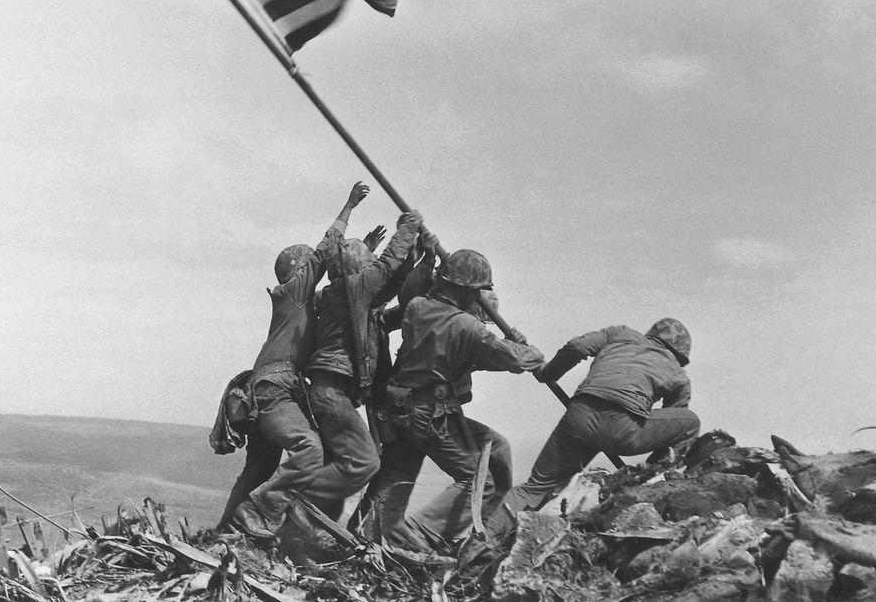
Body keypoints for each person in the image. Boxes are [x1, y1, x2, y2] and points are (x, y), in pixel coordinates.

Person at [362, 249, 544, 550]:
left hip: (399, 409)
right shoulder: (467, 327)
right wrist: (528, 348)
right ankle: (421, 534)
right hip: (431, 414)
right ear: (467, 290)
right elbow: (515, 360)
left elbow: (462, 350)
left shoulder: (418, 308)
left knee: (396, 478)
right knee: (482, 481)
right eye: (476, 292)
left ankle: (367, 536)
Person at [219, 182, 371, 536]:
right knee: (309, 449)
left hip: (265, 389)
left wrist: (363, 254)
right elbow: (324, 252)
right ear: (298, 271)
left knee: (258, 469)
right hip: (275, 388)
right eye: (308, 268)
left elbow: (343, 283)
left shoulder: (300, 305)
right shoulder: (291, 293)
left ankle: (225, 533)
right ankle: (258, 513)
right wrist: (348, 208)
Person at [500, 318, 700, 516]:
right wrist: (650, 469)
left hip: (579, 417)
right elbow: (670, 437)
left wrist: (548, 373)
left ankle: (481, 537)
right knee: (690, 422)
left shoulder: (621, 333)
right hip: (623, 430)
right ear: (679, 355)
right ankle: (652, 480)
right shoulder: (678, 375)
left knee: (534, 489)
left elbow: (578, 346)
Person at [299, 207, 424, 519]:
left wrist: (419, 255)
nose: (374, 265)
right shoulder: (353, 288)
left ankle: (304, 532)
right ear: (358, 268)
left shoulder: (349, 296)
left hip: (332, 392)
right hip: (332, 392)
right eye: (369, 260)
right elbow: (387, 268)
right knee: (366, 463)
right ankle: (285, 498)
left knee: (337, 471)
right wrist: (407, 229)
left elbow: (392, 282)